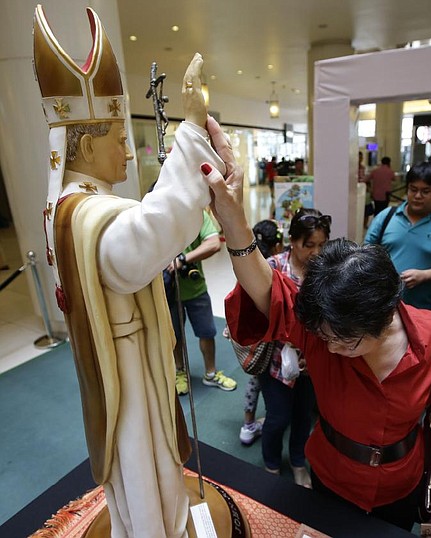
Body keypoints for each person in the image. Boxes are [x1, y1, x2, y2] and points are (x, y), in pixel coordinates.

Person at [199, 120, 431, 530]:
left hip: (403, 479)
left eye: (344, 342)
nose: (328, 348)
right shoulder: (324, 332)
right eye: (324, 337)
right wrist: (234, 221)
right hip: (333, 474)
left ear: (385, 316)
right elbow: (271, 292)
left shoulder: (427, 327)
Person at [34, 6, 221, 534]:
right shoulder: (89, 212)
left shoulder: (69, 205)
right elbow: (147, 239)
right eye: (118, 141)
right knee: (146, 463)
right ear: (87, 144)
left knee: (140, 465)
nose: (126, 152)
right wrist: (187, 131)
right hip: (127, 364)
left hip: (124, 353)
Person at [258, 208, 329, 487]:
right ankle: (272, 464)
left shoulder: (325, 271)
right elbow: (255, 310)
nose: (316, 252)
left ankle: (298, 461)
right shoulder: (273, 266)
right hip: (275, 359)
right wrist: (285, 336)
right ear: (292, 240)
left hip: (312, 361)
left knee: (303, 416)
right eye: (308, 245)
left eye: (322, 245)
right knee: (277, 416)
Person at [364, 162, 431, 311]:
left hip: (423, 311)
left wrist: (425, 275)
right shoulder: (386, 217)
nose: (418, 196)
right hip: (379, 307)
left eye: (425, 191)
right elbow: (366, 251)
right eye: (413, 189)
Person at [165, 210, 237, 395]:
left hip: (195, 287)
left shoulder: (196, 214)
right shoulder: (157, 215)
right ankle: (180, 371)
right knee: (174, 336)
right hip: (166, 291)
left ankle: (211, 374)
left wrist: (183, 259)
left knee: (207, 331)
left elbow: (214, 244)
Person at [238, 219, 284, 445]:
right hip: (273, 336)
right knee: (272, 381)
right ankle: (269, 420)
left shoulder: (250, 265)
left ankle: (248, 423)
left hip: (255, 334)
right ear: (278, 246)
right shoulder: (274, 266)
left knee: (255, 379)